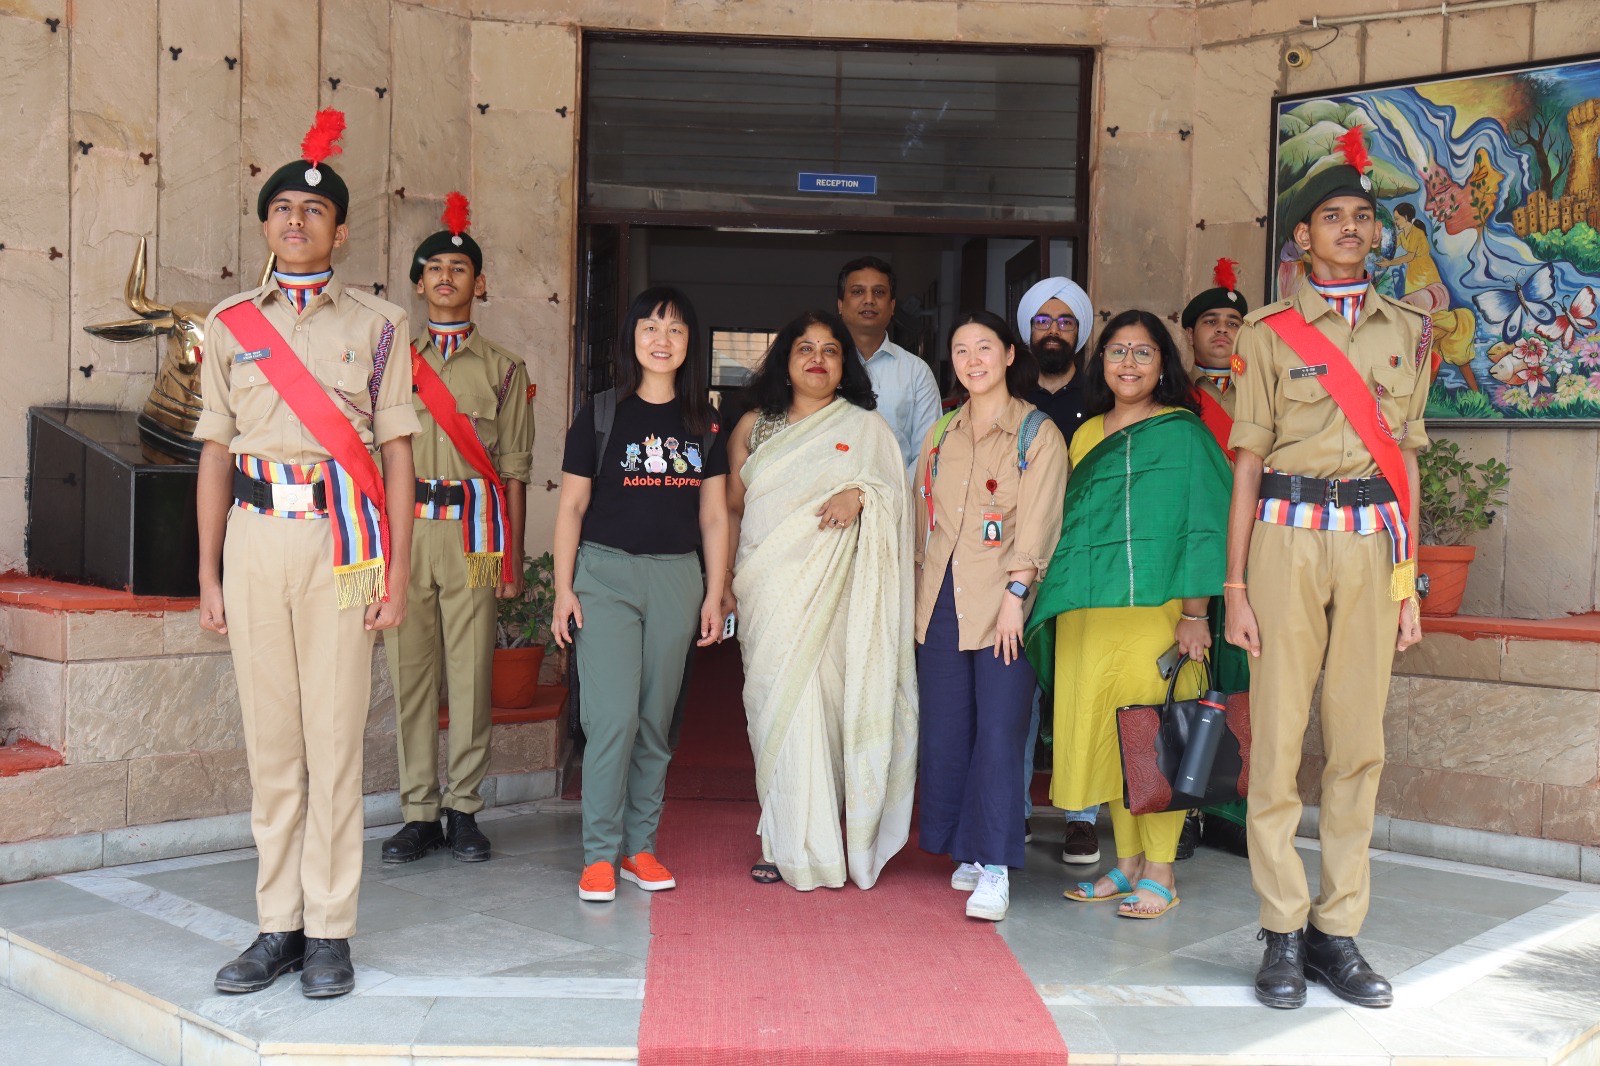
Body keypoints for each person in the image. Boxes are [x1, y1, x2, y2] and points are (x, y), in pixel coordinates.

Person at [197, 110, 419, 998]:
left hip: (344, 544)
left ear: (341, 230)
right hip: (254, 540)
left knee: (333, 745)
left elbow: (397, 454)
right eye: (283, 208)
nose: (297, 220)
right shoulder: (228, 324)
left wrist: (398, 570)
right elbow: (215, 452)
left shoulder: (381, 324)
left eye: (314, 210)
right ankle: (277, 926)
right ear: (265, 225)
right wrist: (207, 571)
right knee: (272, 746)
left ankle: (329, 930)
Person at [1226, 128, 1430, 1010]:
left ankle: (1336, 932)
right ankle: (1281, 927)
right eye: (1331, 217)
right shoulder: (1268, 333)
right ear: (1302, 237)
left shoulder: (1409, 331)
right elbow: (1246, 463)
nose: (1350, 227)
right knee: (1276, 743)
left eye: (1362, 216)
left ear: (1375, 232)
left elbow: (1407, 461)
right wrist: (1235, 587)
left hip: (1373, 546)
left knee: (1357, 745)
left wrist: (1409, 583)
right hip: (1286, 541)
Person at [1027, 310, 1231, 921]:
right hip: (1092, 613)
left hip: (1158, 613)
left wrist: (1195, 614)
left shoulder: (1184, 433)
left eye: (1143, 352)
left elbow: (1202, 526)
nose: (1129, 364)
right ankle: (1128, 864)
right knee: (1117, 738)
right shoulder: (1086, 434)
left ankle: (1161, 872)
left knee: (1156, 736)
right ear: (1101, 362)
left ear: (1164, 364)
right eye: (1117, 351)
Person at [723, 310, 918, 891]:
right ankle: (783, 837)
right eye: (804, 348)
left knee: (828, 713)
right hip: (768, 590)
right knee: (777, 711)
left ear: (844, 365)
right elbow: (733, 508)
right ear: (785, 361)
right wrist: (726, 583)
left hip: (839, 597)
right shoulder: (754, 426)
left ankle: (822, 836)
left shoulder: (867, 428)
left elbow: (897, 501)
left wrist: (861, 493)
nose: (817, 359)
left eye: (830, 350)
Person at [552, 286, 730, 904]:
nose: (662, 339)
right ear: (631, 338)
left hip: (677, 577)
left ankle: (639, 848)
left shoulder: (705, 422)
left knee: (656, 720)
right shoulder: (601, 414)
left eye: (676, 330)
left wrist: (715, 591)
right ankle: (599, 854)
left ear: (690, 344)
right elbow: (571, 507)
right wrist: (563, 589)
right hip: (605, 576)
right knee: (612, 719)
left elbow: (714, 516)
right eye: (651, 327)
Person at [380, 193, 533, 866]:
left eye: (459, 268)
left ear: (480, 283)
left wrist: (512, 559)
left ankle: (463, 808)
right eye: (434, 268)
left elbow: (516, 470)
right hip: (409, 532)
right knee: (411, 675)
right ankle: (418, 813)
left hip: (475, 535)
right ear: (418, 283)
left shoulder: (504, 369)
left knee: (471, 677)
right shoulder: (391, 363)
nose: (445, 277)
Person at [914, 310, 1068, 923]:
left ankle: (997, 865)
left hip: (1007, 605)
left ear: (1008, 355)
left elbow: (1041, 521)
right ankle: (969, 849)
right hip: (941, 602)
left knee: (1001, 732)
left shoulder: (1037, 433)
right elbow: (923, 522)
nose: (972, 360)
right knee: (947, 732)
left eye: (984, 348)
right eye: (960, 350)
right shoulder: (941, 433)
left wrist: (1015, 595)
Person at [1012, 276, 1099, 865]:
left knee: (1078, 692)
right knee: (1018, 695)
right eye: (1042, 321)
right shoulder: (1008, 397)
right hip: (1018, 565)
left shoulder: (1103, 398)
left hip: (1083, 564)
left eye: (1065, 321)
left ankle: (1081, 817)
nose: (1053, 331)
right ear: (1027, 331)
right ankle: (1013, 809)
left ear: (1080, 332)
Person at [836, 256, 941, 478]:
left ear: (892, 306)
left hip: (896, 496)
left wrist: (895, 494)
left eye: (879, 292)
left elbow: (927, 452)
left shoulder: (916, 372)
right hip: (827, 495)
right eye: (857, 291)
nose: (869, 300)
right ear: (840, 305)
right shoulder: (821, 368)